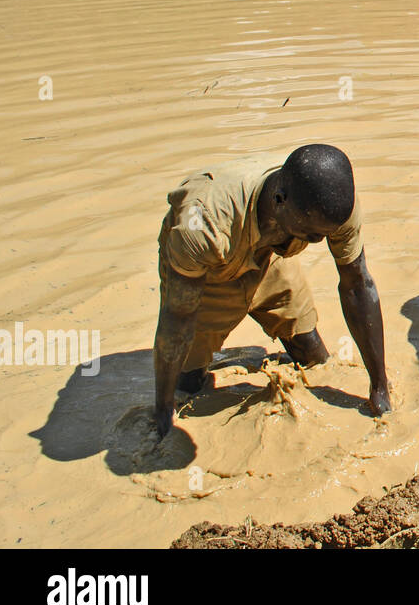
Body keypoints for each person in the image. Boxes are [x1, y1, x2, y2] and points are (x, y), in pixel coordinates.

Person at [152, 145, 390, 438]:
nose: (319, 241)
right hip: (210, 270)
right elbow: (178, 316)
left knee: (314, 358)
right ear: (279, 201)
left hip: (270, 255)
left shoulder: (334, 206)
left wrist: (380, 387)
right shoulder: (201, 225)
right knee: (186, 386)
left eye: (325, 234)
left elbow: (357, 284)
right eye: (313, 235)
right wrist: (162, 410)